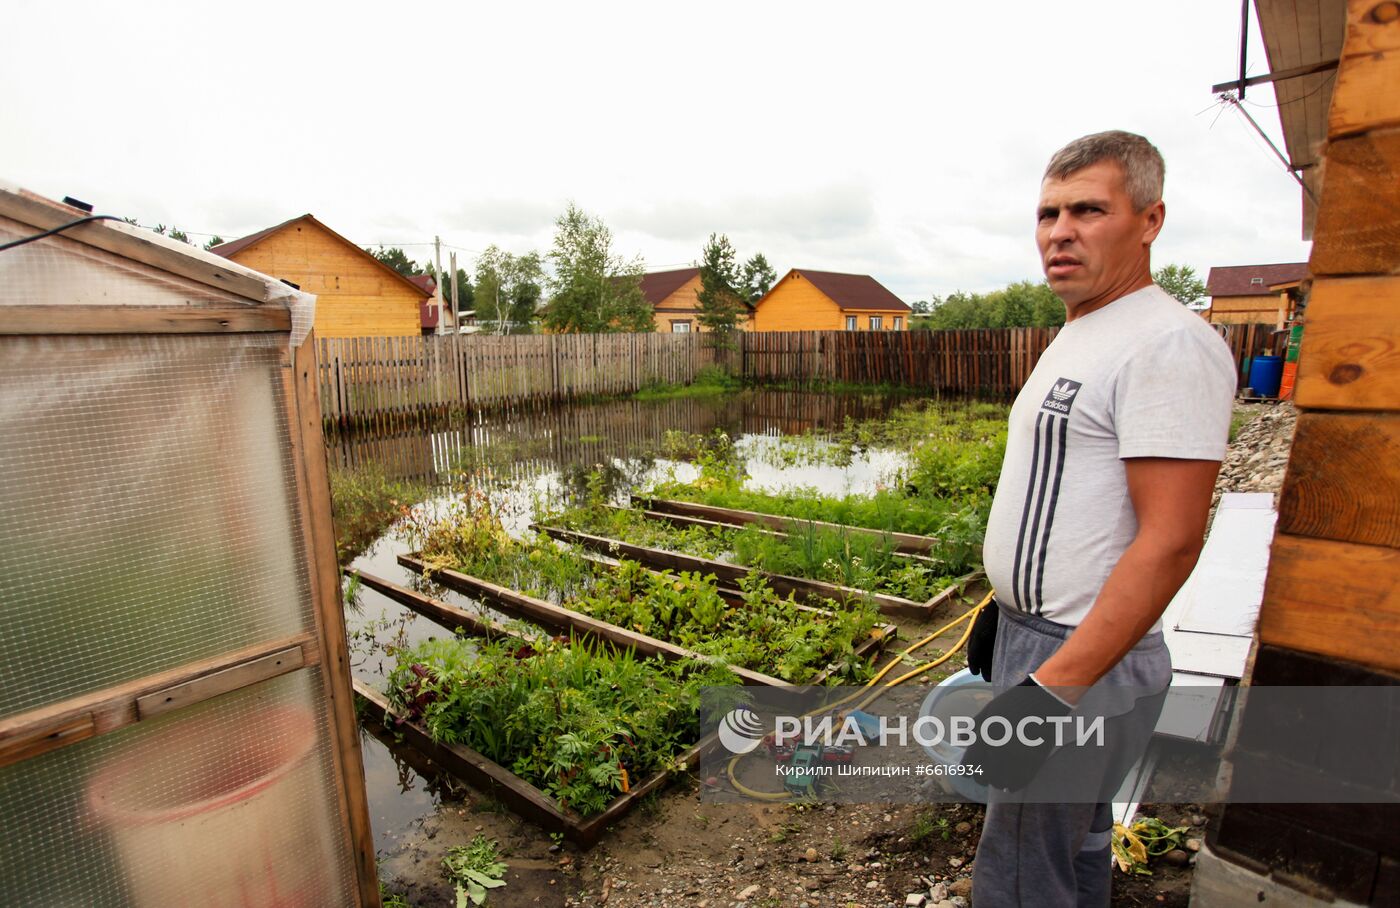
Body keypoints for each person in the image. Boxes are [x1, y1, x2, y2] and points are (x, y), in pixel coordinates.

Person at [961, 131, 1237, 906]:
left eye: (1088, 210)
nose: (1060, 231)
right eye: (1048, 213)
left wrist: (1049, 691)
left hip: (1079, 658)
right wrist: (1008, 609)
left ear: (1149, 220)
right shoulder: (1086, 328)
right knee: (1073, 847)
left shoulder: (1167, 344)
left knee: (1019, 877)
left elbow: (1173, 538)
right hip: (1045, 639)